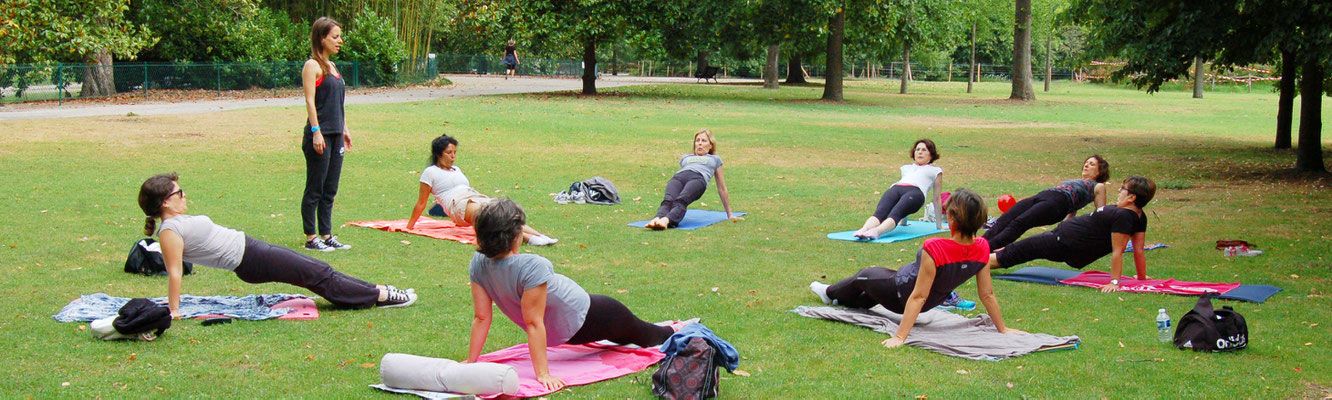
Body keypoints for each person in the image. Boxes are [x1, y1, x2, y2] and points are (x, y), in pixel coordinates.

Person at [465, 199, 690, 390]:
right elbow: (532, 322)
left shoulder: (480, 263)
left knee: (645, 335)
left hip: (585, 319)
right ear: (514, 235)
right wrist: (542, 374)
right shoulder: (530, 265)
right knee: (647, 336)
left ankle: (681, 330)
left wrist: (471, 362)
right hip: (593, 316)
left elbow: (482, 317)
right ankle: (681, 329)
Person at [138, 173, 416, 318]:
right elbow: (175, 272)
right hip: (249, 259)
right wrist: (174, 310)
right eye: (179, 192)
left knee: (318, 270)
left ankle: (377, 291)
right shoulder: (170, 230)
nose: (185, 195)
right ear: (165, 202)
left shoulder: (176, 221)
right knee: (316, 274)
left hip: (252, 250)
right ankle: (380, 296)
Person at [810, 189, 1023, 347]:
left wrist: (900, 337)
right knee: (864, 299)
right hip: (924, 301)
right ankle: (841, 299)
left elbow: (917, 296)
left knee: (865, 276)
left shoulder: (936, 247)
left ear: (951, 219)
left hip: (899, 291)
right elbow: (987, 294)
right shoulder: (983, 247)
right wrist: (1002, 329)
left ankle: (829, 293)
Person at [986, 175, 1157, 293]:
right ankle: (972, 260)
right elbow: (1139, 250)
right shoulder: (1139, 216)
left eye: (1123, 189)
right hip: (1063, 238)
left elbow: (1118, 251)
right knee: (1017, 251)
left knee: (1016, 252)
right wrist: (1141, 277)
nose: (1120, 192)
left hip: (1063, 242)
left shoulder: (1123, 216)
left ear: (1132, 197)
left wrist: (1114, 282)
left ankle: (971, 263)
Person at [406, 134, 557, 245]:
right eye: (448, 153)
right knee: (490, 216)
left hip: (473, 196)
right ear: (438, 154)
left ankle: (540, 236)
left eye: (454, 152)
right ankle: (530, 239)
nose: (453, 156)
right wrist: (409, 226)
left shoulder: (456, 169)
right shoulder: (430, 172)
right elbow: (422, 202)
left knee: (504, 212)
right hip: (457, 203)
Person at [300, 17, 352, 252]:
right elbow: (310, 101)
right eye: (335, 36)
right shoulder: (313, 65)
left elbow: (337, 103)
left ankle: (327, 234)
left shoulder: (332, 66)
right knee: (316, 187)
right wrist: (316, 131)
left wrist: (345, 129)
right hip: (319, 136)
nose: (340, 41)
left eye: (339, 36)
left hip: (335, 134)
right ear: (322, 38)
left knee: (330, 188)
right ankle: (311, 237)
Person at [983, 155, 1110, 250]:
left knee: (1019, 223)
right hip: (1045, 195)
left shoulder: (1098, 186)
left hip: (1057, 204)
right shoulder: (1077, 181)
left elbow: (1101, 214)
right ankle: (979, 244)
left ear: (1100, 171)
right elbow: (1073, 210)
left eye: (1092, 164)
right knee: (1007, 217)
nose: (1086, 165)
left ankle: (986, 250)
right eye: (1086, 163)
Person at [644, 129, 739, 230]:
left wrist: (729, 214)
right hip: (679, 177)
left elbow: (722, 188)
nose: (700, 144)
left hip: (698, 179)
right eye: (697, 141)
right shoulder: (686, 157)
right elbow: (683, 171)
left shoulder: (715, 159)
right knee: (668, 200)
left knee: (681, 200)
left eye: (703, 141)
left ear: (710, 145)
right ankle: (657, 219)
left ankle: (666, 220)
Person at [852, 139, 944, 240]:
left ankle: (876, 231)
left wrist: (939, 225)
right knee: (880, 212)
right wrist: (903, 223)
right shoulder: (906, 168)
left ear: (931, 154)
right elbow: (902, 200)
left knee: (896, 213)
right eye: (917, 149)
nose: (920, 152)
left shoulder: (935, 171)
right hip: (896, 188)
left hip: (916, 193)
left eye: (924, 150)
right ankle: (864, 229)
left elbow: (936, 198)